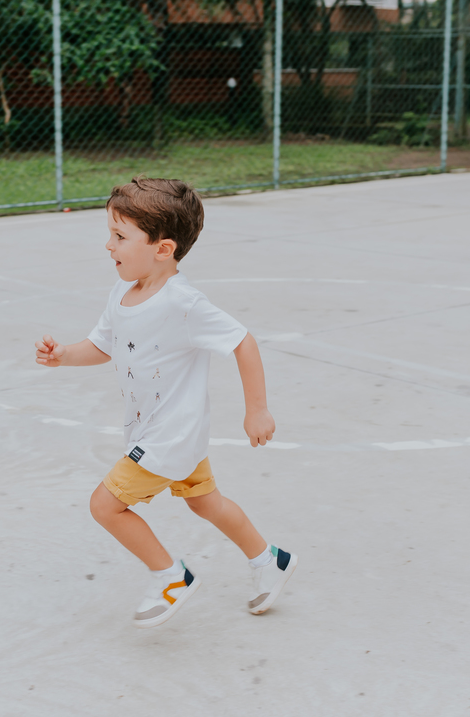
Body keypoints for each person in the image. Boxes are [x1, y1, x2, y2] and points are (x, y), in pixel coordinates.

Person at [35, 177, 297, 628]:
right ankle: (268, 559)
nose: (108, 245)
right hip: (166, 430)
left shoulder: (185, 304)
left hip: (168, 437)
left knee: (106, 505)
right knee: (205, 502)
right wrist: (63, 358)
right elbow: (103, 345)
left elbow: (243, 341)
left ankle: (171, 577)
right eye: (110, 234)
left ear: (163, 248)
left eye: (120, 236)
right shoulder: (123, 292)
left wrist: (257, 409)